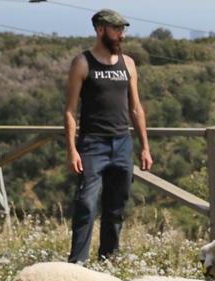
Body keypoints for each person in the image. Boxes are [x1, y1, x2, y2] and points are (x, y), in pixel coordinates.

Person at [62, 8, 152, 264]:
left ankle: (108, 261)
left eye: (123, 29)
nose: (121, 35)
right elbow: (69, 110)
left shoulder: (129, 64)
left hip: (122, 142)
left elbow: (136, 108)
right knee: (86, 205)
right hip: (92, 144)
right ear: (100, 30)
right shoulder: (82, 63)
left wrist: (145, 147)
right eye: (116, 29)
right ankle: (77, 263)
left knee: (116, 208)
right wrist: (72, 150)